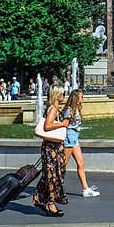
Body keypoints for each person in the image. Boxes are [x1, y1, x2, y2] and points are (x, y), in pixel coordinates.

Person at [33, 86, 70, 217]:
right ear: (57, 94)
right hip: (51, 148)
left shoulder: (53, 108)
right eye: (63, 93)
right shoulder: (53, 109)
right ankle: (50, 203)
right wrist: (63, 124)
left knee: (54, 174)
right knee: (52, 176)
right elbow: (47, 126)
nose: (64, 96)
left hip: (54, 147)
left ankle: (41, 198)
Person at [62, 89, 100, 198]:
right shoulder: (69, 110)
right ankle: (54, 187)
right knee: (63, 165)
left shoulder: (76, 109)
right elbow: (65, 124)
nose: (83, 98)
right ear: (76, 98)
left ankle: (85, 189)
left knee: (81, 164)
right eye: (81, 97)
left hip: (74, 137)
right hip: (69, 137)